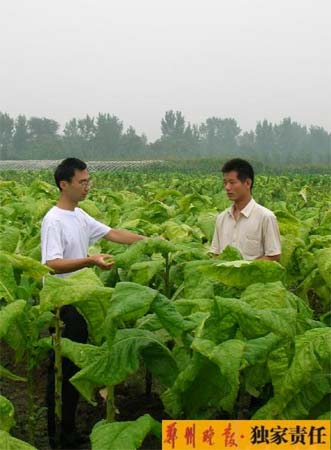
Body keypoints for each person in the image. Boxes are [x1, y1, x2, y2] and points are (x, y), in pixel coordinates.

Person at [41, 158, 148, 449]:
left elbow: (112, 233)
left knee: (75, 369)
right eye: (82, 181)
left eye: (89, 180)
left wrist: (149, 240)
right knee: (61, 370)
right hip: (63, 303)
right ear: (64, 184)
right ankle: (56, 436)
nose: (88, 186)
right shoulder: (53, 220)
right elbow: (51, 264)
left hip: (82, 299)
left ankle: (70, 430)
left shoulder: (79, 216)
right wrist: (90, 260)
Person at [210, 158, 281, 261]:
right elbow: (216, 254)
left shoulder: (266, 217)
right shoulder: (221, 218)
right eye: (225, 182)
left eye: (232, 182)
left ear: (247, 183)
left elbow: (274, 256)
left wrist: (244, 271)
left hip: (253, 276)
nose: (227, 187)